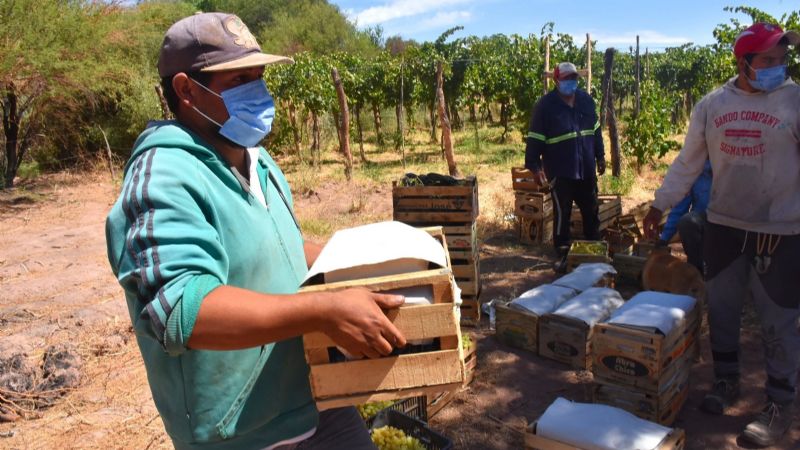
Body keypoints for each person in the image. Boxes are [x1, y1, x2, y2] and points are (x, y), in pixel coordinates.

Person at [105, 13, 407, 450]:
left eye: (260, 77)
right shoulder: (163, 176)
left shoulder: (257, 160)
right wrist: (323, 312)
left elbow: (280, 247)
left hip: (316, 395)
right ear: (187, 90)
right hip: (244, 430)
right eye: (240, 79)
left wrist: (359, 263)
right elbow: (183, 312)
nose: (258, 91)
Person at [643, 23, 800, 447]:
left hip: (780, 231)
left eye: (781, 59)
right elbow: (688, 162)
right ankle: (726, 381)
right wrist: (659, 204)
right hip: (725, 227)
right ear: (744, 62)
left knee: (778, 320)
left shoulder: (796, 101)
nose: (777, 67)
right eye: (767, 60)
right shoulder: (713, 105)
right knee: (724, 311)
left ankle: (779, 403)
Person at [524, 61, 605, 259]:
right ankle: (562, 254)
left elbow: (595, 131)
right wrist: (535, 168)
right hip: (561, 171)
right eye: (566, 78)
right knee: (563, 213)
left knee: (591, 210)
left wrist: (600, 156)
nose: (571, 82)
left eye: (574, 78)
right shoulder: (545, 106)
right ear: (556, 80)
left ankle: (593, 249)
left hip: (586, 168)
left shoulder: (586, 101)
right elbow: (534, 140)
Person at [656, 159, 711, 272]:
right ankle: (696, 270)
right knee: (687, 222)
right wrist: (664, 239)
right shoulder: (695, 171)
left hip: (730, 223)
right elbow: (679, 208)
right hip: (703, 224)